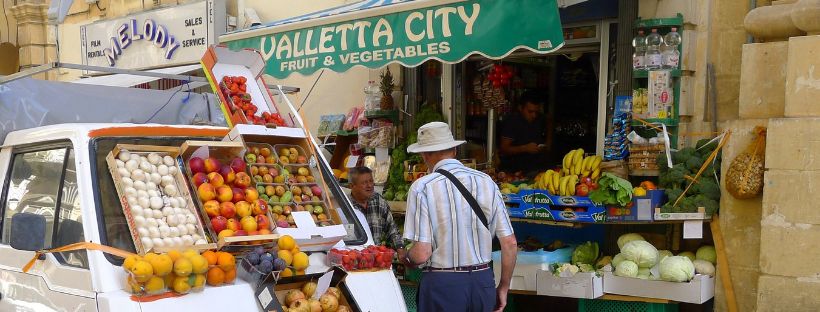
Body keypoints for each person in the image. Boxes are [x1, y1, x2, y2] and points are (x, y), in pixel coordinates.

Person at [403, 121, 518, 312]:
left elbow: (422, 253)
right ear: (455, 150)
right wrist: (504, 287)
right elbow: (510, 243)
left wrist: (407, 257)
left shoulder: (422, 187)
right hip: (483, 281)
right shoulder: (486, 182)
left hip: (442, 285)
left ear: (424, 154)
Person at [347, 166, 407, 261]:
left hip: (377, 259)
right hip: (353, 259)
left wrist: (400, 248)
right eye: (364, 183)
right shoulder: (345, 206)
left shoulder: (378, 201)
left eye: (371, 181)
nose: (369, 185)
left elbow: (391, 228)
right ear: (351, 186)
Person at [499, 91, 548, 175]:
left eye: (536, 112)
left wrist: (547, 143)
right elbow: (504, 149)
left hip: (535, 169)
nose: (534, 115)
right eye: (530, 111)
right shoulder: (512, 122)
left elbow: (550, 120)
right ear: (520, 108)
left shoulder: (539, 119)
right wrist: (525, 148)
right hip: (514, 171)